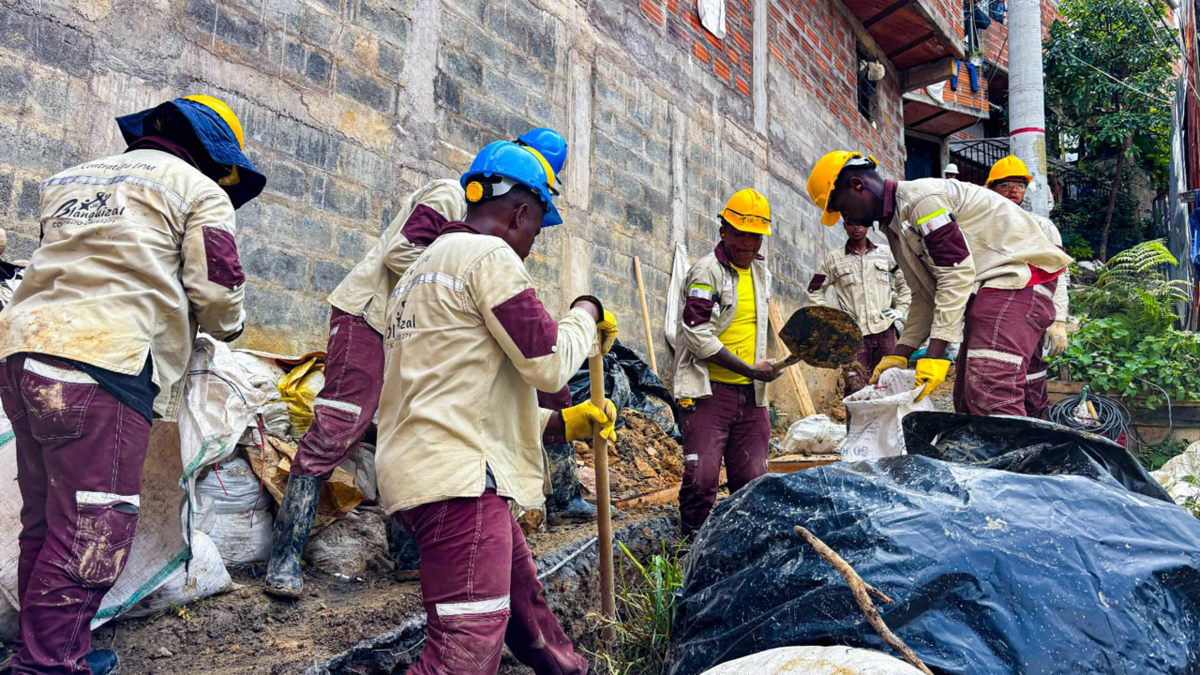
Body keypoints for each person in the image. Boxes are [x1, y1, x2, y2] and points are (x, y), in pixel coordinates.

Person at [0, 96, 264, 675]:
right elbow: (218, 291)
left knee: (46, 519)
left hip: (22, 357)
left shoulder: (68, 179)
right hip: (103, 364)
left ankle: (43, 651)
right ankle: (48, 665)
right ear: (212, 155)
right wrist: (230, 327)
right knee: (95, 526)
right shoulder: (199, 192)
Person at [264, 129, 577, 598]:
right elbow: (400, 253)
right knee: (341, 423)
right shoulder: (451, 196)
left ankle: (410, 554)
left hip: (413, 325)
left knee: (413, 421)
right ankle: (284, 555)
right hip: (370, 315)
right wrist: (461, 268)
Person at [376, 140, 618, 675]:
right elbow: (549, 362)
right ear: (519, 214)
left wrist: (562, 423)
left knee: (523, 606)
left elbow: (459, 392)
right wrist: (585, 313)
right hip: (459, 481)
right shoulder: (489, 257)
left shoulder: (418, 273)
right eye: (536, 230)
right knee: (464, 650)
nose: (531, 244)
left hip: (430, 471)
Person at [806, 151, 1072, 415]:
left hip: (1020, 278)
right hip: (997, 286)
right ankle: (1001, 443)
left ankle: (1011, 444)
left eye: (842, 207)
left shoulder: (921, 201)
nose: (847, 218)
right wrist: (901, 352)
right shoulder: (894, 224)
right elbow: (924, 295)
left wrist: (934, 354)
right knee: (967, 396)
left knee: (990, 387)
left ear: (857, 185)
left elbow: (956, 274)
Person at [673, 188, 781, 537]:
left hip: (752, 396)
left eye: (756, 236)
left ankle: (744, 549)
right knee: (701, 480)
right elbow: (697, 334)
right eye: (741, 234)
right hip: (710, 393)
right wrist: (748, 370)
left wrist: (758, 371)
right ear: (724, 232)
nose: (748, 244)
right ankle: (690, 550)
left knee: (752, 482)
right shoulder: (707, 272)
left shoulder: (761, 273)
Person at [987, 155, 1070, 418]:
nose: (1013, 191)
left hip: (1029, 316)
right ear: (990, 188)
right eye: (1005, 185)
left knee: (1032, 376)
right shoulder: (979, 227)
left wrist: (1058, 321)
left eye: (1020, 185)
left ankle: (1037, 428)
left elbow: (1059, 275)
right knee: (990, 380)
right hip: (989, 318)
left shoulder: (1042, 226)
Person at [808, 220, 911, 395]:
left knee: (889, 384)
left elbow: (905, 282)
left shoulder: (885, 253)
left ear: (869, 225)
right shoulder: (834, 258)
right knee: (856, 387)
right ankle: (856, 414)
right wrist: (832, 320)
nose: (857, 227)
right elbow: (815, 290)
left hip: (885, 331)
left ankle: (888, 414)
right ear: (844, 226)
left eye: (862, 223)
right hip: (853, 336)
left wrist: (900, 311)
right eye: (851, 223)